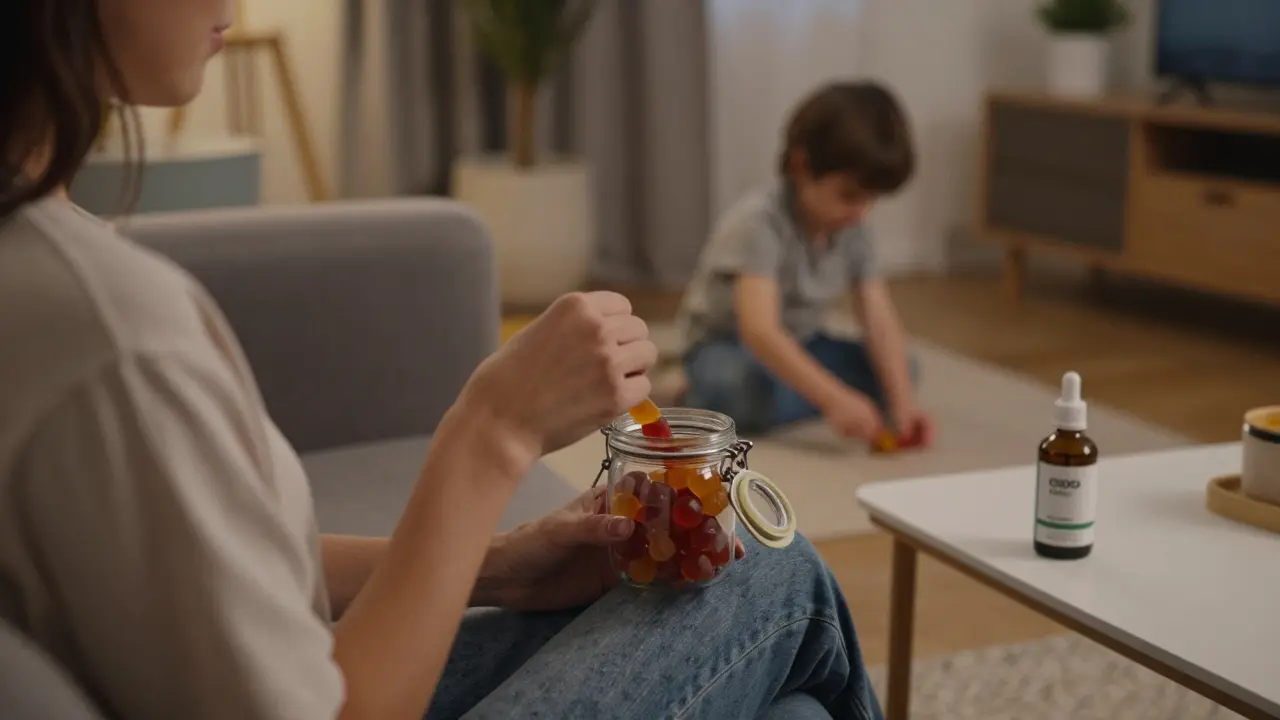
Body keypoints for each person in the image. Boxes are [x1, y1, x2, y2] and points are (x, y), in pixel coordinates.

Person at [0, 2, 883, 719]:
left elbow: (193, 580)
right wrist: (492, 430)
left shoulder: (55, 265)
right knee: (771, 571)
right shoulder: (110, 333)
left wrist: (495, 564)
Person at [678, 81, 935, 447]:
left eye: (871, 200)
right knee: (738, 388)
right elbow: (760, 332)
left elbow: (878, 317)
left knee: (904, 370)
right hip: (729, 348)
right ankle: (701, 394)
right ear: (801, 165)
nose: (861, 211)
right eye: (848, 195)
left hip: (803, 343)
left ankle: (798, 397)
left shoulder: (854, 225)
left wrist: (903, 403)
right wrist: (833, 398)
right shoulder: (759, 223)